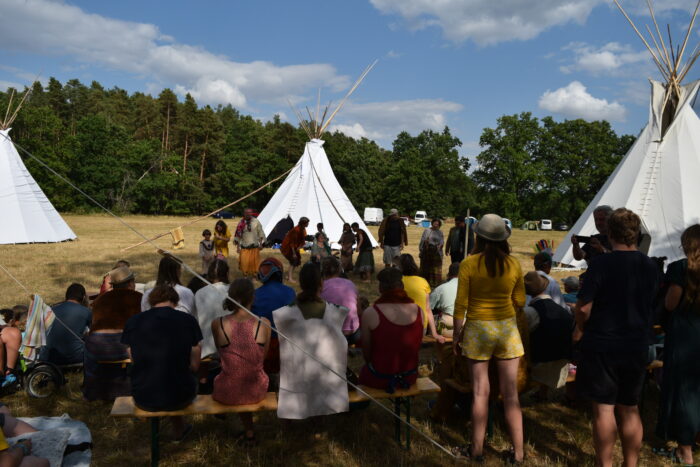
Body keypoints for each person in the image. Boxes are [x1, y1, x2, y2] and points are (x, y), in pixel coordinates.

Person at [574, 208, 658, 467]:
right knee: (630, 408)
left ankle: (605, 464)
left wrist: (580, 327)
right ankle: (631, 464)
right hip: (636, 343)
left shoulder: (601, 264)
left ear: (610, 232)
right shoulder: (650, 265)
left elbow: (583, 308)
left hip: (604, 343)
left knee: (604, 408)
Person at [452, 213, 526, 463]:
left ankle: (476, 451)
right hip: (506, 330)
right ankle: (518, 454)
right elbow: (520, 300)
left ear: (478, 237)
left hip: (478, 330)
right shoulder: (514, 264)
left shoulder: (468, 263)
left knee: (480, 393)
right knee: (511, 394)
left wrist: (456, 336)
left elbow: (460, 305)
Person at [122, 285, 202, 440]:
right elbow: (195, 365)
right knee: (177, 376)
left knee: (163, 375)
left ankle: (178, 428)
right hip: (180, 396)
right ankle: (179, 428)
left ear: (152, 301)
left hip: (144, 396)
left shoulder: (133, 321)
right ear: (175, 301)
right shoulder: (188, 320)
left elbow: (133, 357)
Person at [273, 263, 348, 419]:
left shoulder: (285, 315)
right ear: (321, 283)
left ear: (301, 283)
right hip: (327, 385)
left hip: (299, 383)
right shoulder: (336, 312)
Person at [656, 224, 700, 466]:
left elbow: (671, 303)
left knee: (683, 391)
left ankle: (685, 452)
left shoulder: (680, 268)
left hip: (685, 334)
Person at [212, 279, 270, 445]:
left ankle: (248, 431)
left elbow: (221, 354)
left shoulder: (218, 323)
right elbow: (262, 358)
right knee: (245, 376)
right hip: (256, 389)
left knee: (235, 376)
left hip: (226, 390)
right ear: (252, 297)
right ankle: (249, 431)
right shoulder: (264, 323)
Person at [359, 267, 423, 392]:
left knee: (362, 374)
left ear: (380, 288)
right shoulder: (418, 311)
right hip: (409, 376)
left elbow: (366, 353)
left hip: (380, 377)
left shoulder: (371, 313)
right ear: (402, 286)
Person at [83, 266, 140, 401]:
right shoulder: (138, 298)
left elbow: (93, 324)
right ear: (130, 284)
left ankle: (91, 391)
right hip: (125, 345)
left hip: (97, 345)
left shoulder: (100, 300)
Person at [523, 271, 574, 394]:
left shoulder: (530, 312)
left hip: (541, 361)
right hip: (562, 360)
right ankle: (542, 392)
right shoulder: (563, 310)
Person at [252, 258, 296, 376]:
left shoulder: (254, 294)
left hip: (261, 346)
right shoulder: (290, 292)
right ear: (279, 273)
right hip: (286, 347)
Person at [397, 254, 444, 343]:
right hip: (421, 326)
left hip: (401, 325)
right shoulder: (423, 282)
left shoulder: (398, 282)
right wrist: (434, 333)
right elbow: (428, 309)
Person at [40, 283, 91, 365]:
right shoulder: (86, 311)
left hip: (50, 357)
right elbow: (95, 334)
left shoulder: (51, 310)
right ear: (83, 297)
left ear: (66, 296)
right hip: (76, 357)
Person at [193, 259, 230, 359]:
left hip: (207, 351)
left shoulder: (200, 293)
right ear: (227, 273)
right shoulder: (233, 291)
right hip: (227, 351)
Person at [320, 257, 360, 344]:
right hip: (353, 333)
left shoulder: (321, 287)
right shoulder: (350, 284)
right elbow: (359, 309)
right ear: (339, 270)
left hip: (331, 335)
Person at [430, 263, 460, 337]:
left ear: (449, 274)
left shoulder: (441, 288)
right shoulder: (470, 288)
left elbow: (428, 307)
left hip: (447, 328)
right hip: (466, 328)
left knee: (431, 317)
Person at [234, 208, 266, 277]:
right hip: (244, 247)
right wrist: (238, 247)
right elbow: (238, 235)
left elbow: (260, 232)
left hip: (254, 246)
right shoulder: (241, 223)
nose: (248, 214)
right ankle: (245, 276)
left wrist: (261, 244)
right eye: (247, 213)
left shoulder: (256, 221)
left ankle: (254, 276)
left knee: (255, 264)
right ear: (244, 213)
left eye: (250, 213)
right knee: (244, 263)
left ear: (252, 213)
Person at [280, 217, 309, 283]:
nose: (308, 224)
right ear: (303, 223)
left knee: (295, 261)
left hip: (295, 247)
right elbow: (292, 243)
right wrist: (294, 253)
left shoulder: (302, 229)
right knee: (293, 261)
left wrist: (299, 247)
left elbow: (302, 239)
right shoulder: (296, 230)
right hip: (288, 247)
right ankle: (290, 278)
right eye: (307, 223)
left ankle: (289, 276)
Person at [419, 218, 445, 288]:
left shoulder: (440, 232)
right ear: (432, 223)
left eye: (437, 224)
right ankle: (425, 284)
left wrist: (439, 247)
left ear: (439, 225)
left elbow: (442, 242)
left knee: (435, 270)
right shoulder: (427, 231)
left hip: (436, 254)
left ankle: (435, 285)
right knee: (426, 269)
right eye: (435, 223)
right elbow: (422, 241)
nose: (436, 225)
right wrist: (421, 250)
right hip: (426, 253)